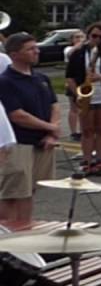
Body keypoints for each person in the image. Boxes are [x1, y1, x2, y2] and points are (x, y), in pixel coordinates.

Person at [0, 33, 60, 223]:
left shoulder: (41, 78)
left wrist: (52, 133)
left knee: (30, 189)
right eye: (31, 49)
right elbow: (17, 115)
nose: (37, 51)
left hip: (42, 143)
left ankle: (26, 229)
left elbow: (54, 105)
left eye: (36, 47)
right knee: (13, 193)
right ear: (15, 54)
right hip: (19, 144)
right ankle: (10, 237)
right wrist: (50, 126)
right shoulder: (5, 81)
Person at [66, 22, 101, 175]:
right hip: (85, 96)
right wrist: (78, 95)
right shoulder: (78, 53)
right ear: (88, 36)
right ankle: (86, 161)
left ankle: (100, 161)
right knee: (87, 130)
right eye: (94, 36)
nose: (97, 39)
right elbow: (70, 77)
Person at [62, 30, 85, 142]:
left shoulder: (85, 50)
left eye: (81, 37)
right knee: (74, 108)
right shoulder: (68, 49)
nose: (79, 39)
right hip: (73, 81)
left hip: (83, 81)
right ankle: (73, 132)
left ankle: (83, 130)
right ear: (72, 39)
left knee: (84, 109)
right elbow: (70, 53)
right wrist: (80, 44)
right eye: (76, 37)